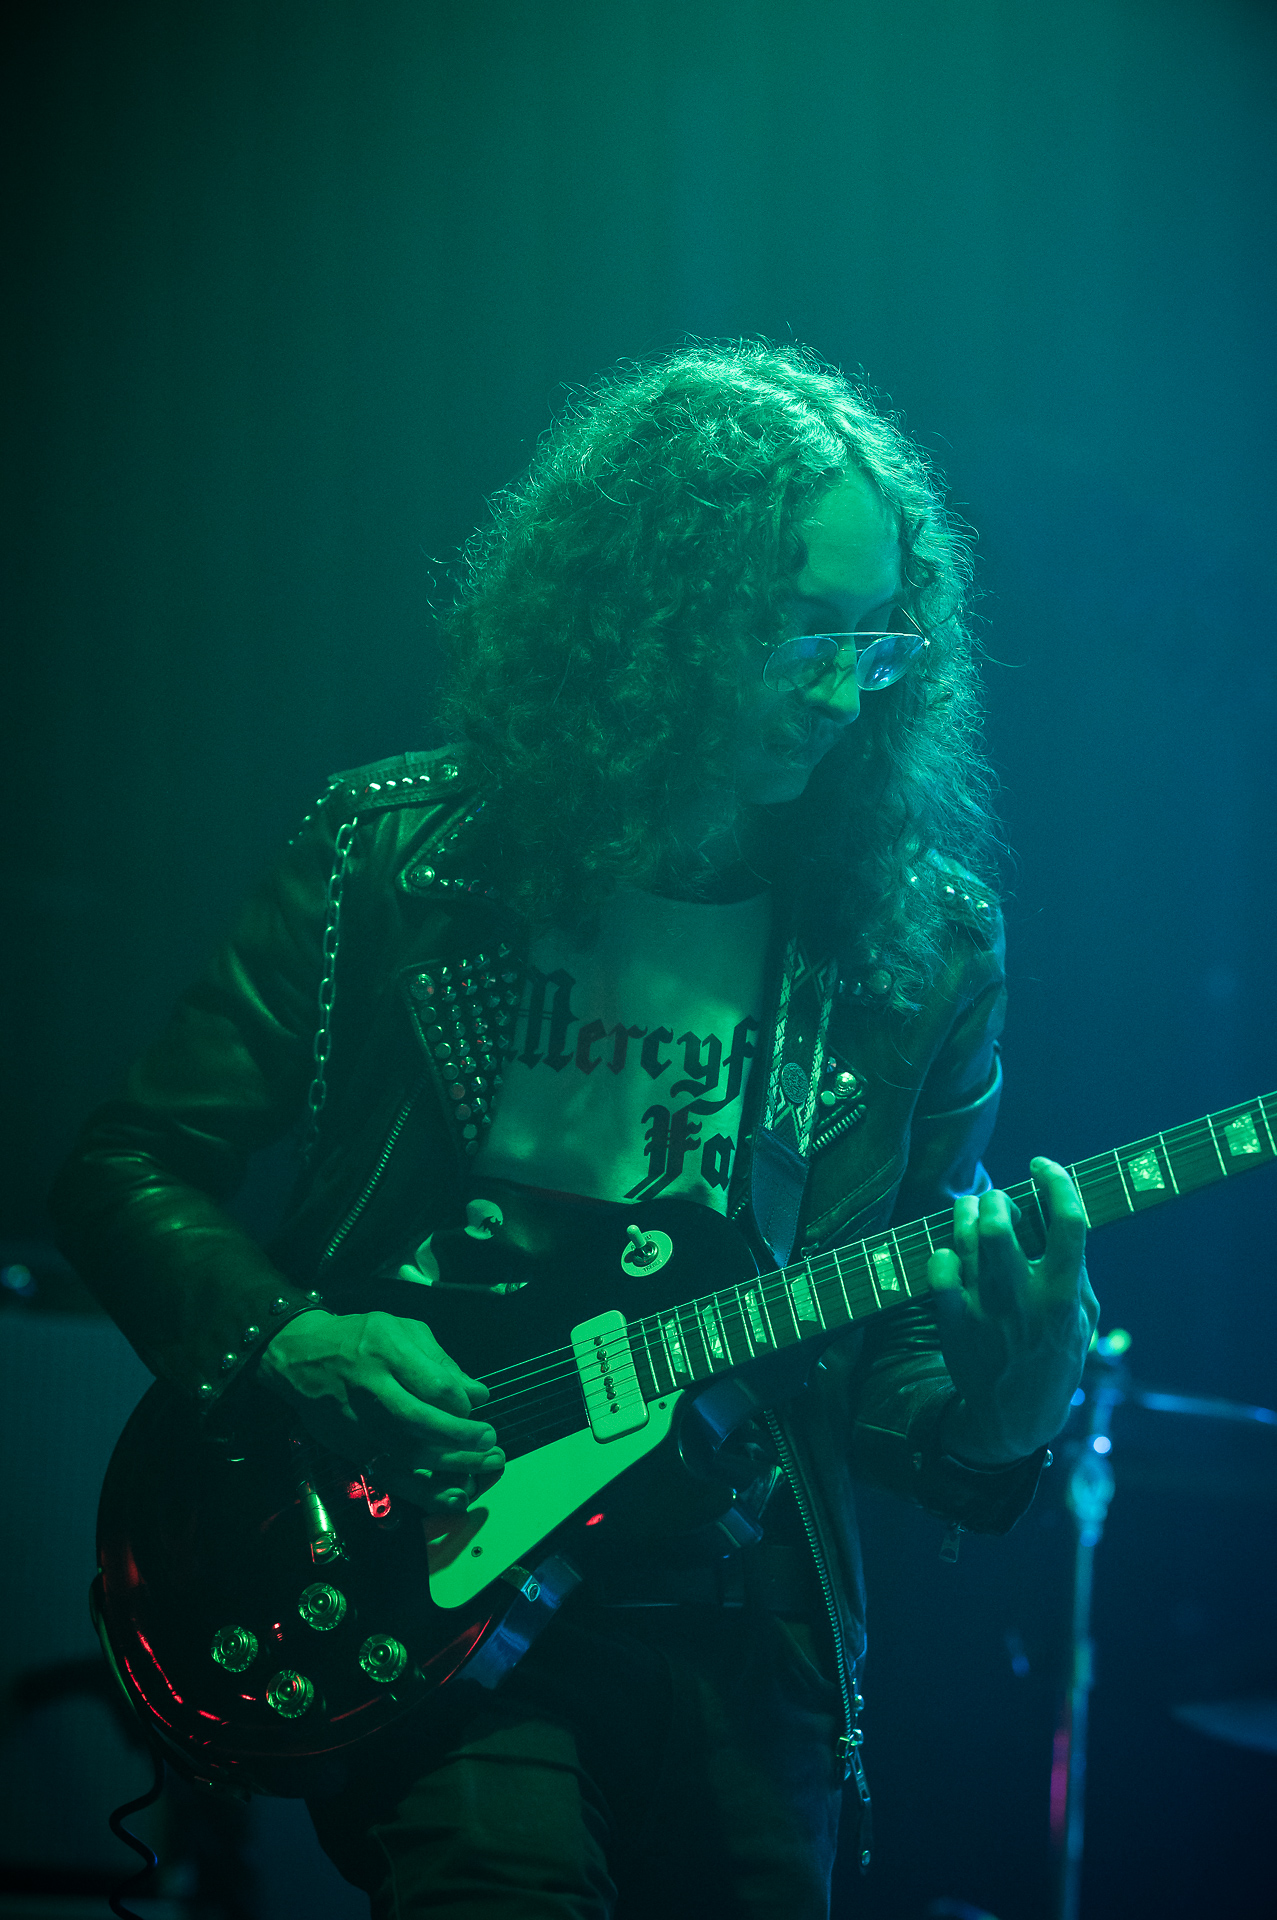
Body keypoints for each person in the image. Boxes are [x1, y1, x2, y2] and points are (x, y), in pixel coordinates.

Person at [51, 342, 1097, 1919]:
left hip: (739, 1626)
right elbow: (124, 1168)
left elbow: (883, 1349)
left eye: (873, 641)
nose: (837, 693)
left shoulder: (917, 950)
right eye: (792, 631)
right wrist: (288, 1341)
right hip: (430, 1584)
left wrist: (1007, 1413)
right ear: (644, 610)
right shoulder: (396, 861)